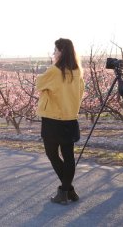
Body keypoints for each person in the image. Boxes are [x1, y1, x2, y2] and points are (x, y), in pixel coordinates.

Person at [36, 38, 84, 205]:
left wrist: (53, 63)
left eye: (55, 50)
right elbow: (81, 92)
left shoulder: (55, 71)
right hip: (70, 118)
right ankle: (68, 191)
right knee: (68, 156)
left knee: (52, 154)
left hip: (52, 119)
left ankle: (65, 191)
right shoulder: (78, 71)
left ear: (61, 52)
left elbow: (39, 84)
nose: (54, 53)